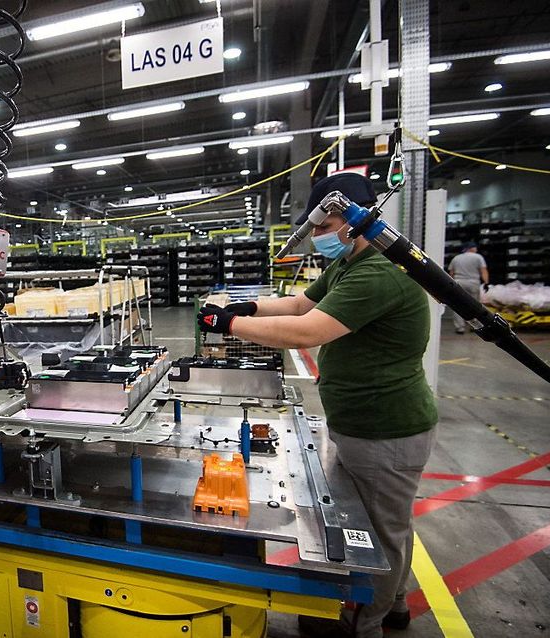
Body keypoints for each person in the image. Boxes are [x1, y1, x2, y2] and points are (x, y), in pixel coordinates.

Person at [197, 173, 438, 638]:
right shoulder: (350, 263)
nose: (319, 237)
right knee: (379, 523)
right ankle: (394, 604)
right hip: (358, 423)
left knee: (384, 533)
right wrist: (244, 307)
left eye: (324, 227)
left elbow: (306, 331)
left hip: (386, 428)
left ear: (354, 220)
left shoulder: (378, 273)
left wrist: (228, 326)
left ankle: (364, 624)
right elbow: (299, 304)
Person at [447, 241, 489, 334]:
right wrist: (486, 283)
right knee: (474, 306)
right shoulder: (478, 257)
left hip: (459, 283)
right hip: (473, 283)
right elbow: (483, 270)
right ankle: (474, 326)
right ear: (472, 248)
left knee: (458, 305)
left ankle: (460, 328)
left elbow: (451, 273)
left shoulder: (456, 258)